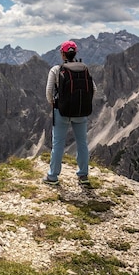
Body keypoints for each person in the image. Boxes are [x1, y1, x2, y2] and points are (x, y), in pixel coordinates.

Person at [43, 40, 96, 186]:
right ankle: (83, 176)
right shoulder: (84, 69)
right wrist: (83, 103)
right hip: (81, 113)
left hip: (62, 112)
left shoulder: (56, 69)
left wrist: (54, 104)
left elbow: (48, 92)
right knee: (82, 143)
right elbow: (94, 89)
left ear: (62, 53)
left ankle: (53, 177)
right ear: (75, 53)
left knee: (58, 144)